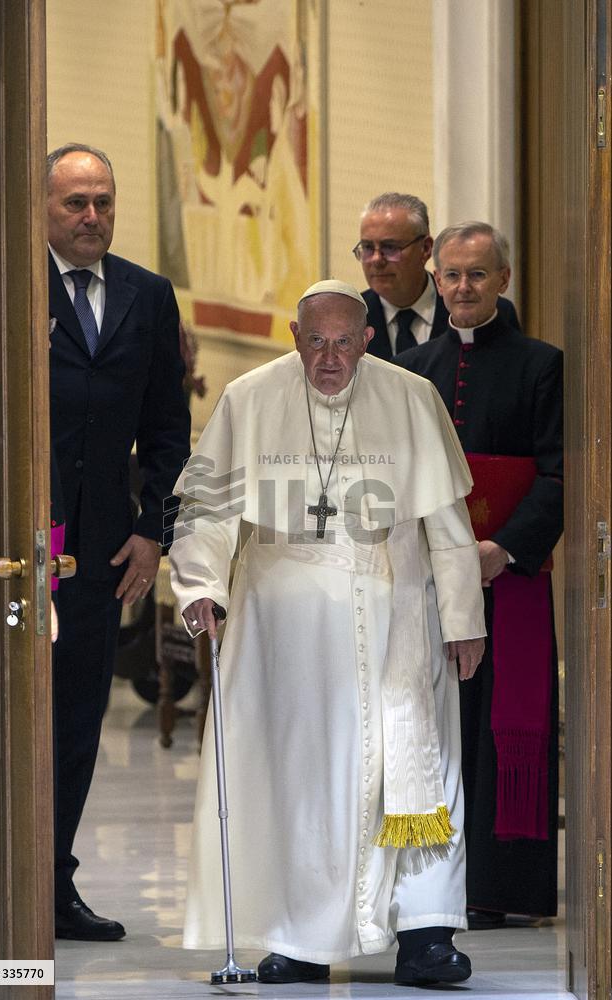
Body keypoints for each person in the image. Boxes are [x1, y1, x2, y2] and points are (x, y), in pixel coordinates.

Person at [169, 279, 486, 987]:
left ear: (366, 339)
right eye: (316, 342)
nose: (330, 358)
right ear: (294, 338)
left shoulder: (409, 398)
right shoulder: (249, 398)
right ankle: (301, 939)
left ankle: (425, 937)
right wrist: (199, 586)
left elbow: (447, 526)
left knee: (415, 775)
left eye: (345, 342)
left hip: (395, 612)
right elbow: (207, 510)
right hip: (283, 634)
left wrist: (463, 618)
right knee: (299, 786)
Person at [394, 223, 563, 927]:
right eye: (451, 275)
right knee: (437, 724)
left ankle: (503, 889)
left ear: (503, 278)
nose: (462, 288)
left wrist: (505, 549)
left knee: (502, 727)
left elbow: (558, 472)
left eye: (476, 275)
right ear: (435, 280)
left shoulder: (540, 365)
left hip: (511, 577)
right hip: (427, 577)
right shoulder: (412, 365)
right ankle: (437, 882)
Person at [48, 143, 191, 940]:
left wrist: (151, 532)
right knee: (6, 718)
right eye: (76, 203)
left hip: (100, 558)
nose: (92, 216)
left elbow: (168, 429)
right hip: (15, 557)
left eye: (103, 200)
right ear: (43, 206)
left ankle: (53, 883)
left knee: (76, 720)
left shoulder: (145, 294)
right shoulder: (8, 283)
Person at [354, 192, 520, 361]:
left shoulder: (488, 309)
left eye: (390, 247)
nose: (376, 260)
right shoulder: (351, 317)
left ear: (426, 249)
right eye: (367, 247)